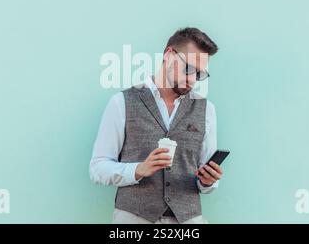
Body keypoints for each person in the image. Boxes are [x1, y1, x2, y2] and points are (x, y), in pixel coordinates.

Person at [90, 27, 223, 224]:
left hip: (188, 221)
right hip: (134, 219)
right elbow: (98, 168)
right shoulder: (122, 102)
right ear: (169, 55)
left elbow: (205, 176)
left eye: (199, 74)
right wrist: (138, 170)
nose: (193, 79)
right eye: (188, 68)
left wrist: (208, 181)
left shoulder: (207, 110)